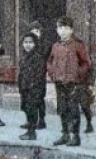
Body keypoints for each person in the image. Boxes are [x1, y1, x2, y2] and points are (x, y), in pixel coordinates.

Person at [47, 16, 90, 147]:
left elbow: (86, 63)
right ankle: (65, 134)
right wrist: (52, 73)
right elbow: (49, 61)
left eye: (66, 28)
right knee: (62, 108)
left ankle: (75, 136)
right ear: (57, 30)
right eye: (60, 28)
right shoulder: (55, 46)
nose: (63, 31)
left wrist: (78, 75)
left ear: (71, 30)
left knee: (73, 109)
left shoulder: (77, 45)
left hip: (73, 83)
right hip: (59, 82)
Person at [17, 32, 47, 141]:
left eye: (30, 42)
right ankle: (29, 130)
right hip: (25, 88)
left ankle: (31, 132)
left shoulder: (38, 57)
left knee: (32, 110)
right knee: (26, 108)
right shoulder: (24, 57)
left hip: (34, 89)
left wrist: (32, 86)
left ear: (35, 44)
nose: (28, 45)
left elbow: (39, 74)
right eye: (25, 42)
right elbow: (21, 73)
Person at [23, 21, 51, 130]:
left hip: (39, 75)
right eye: (33, 31)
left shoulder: (44, 45)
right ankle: (29, 120)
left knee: (39, 99)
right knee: (27, 100)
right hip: (28, 76)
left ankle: (42, 120)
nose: (35, 33)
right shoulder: (28, 44)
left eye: (37, 31)